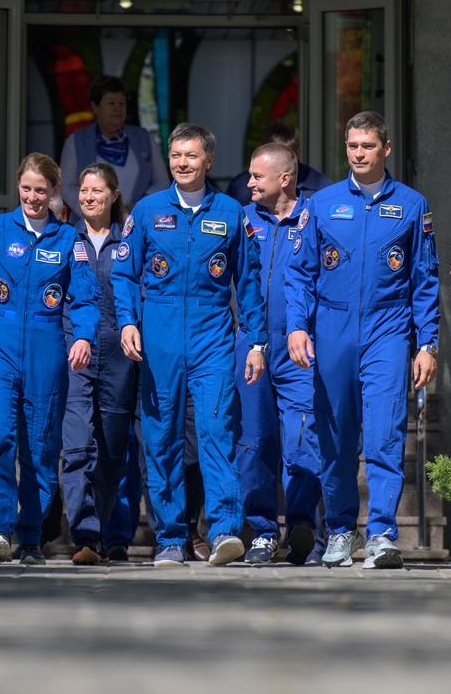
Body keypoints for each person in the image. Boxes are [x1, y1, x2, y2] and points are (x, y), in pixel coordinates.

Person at [286, 110, 441, 569]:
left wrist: (427, 343)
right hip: (331, 330)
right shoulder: (321, 204)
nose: (358, 154)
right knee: (334, 434)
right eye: (352, 146)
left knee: (385, 429)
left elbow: (425, 279)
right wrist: (297, 326)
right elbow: (300, 274)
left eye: (367, 146)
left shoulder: (412, 205)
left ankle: (381, 535)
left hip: (388, 329)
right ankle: (339, 530)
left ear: (386, 149)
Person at [113, 122, 267, 567]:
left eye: (191, 156)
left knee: (218, 431)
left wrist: (256, 341)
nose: (182, 163)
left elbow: (249, 282)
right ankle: (171, 538)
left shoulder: (231, 214)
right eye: (176, 155)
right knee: (161, 438)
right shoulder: (146, 211)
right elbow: (123, 274)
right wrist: (128, 322)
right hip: (158, 336)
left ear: (209, 160)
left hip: (213, 333)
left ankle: (222, 531)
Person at [0, 154, 100, 564]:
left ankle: (31, 536)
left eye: (40, 190)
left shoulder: (70, 241)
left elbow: (85, 298)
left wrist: (82, 337)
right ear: (18, 187)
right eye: (26, 188)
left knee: (41, 450)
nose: (32, 197)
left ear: (53, 194)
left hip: (47, 351)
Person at [236, 142, 324, 565]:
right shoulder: (242, 219)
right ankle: (262, 531)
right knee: (255, 440)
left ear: (285, 178)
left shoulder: (314, 219)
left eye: (257, 176)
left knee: (302, 437)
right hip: (251, 344)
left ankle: (303, 525)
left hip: (300, 348)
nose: (249, 183)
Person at [58, 163, 138, 565]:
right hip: (77, 352)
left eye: (97, 191)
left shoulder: (131, 238)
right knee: (76, 446)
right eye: (84, 190)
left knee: (113, 451)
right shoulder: (64, 238)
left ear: (114, 194)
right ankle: (85, 535)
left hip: (121, 355)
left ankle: (112, 533)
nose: (89, 197)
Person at [59, 75, 169, 217]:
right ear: (95, 107)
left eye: (122, 103)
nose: (118, 108)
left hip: (134, 224)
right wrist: (97, 213)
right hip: (88, 228)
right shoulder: (75, 141)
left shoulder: (144, 138)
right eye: (111, 103)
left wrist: (137, 208)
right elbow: (67, 187)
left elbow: (162, 183)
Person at [225, 122, 331, 206]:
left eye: (283, 156)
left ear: (297, 153)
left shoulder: (321, 187)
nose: (251, 183)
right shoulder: (240, 187)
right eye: (271, 155)